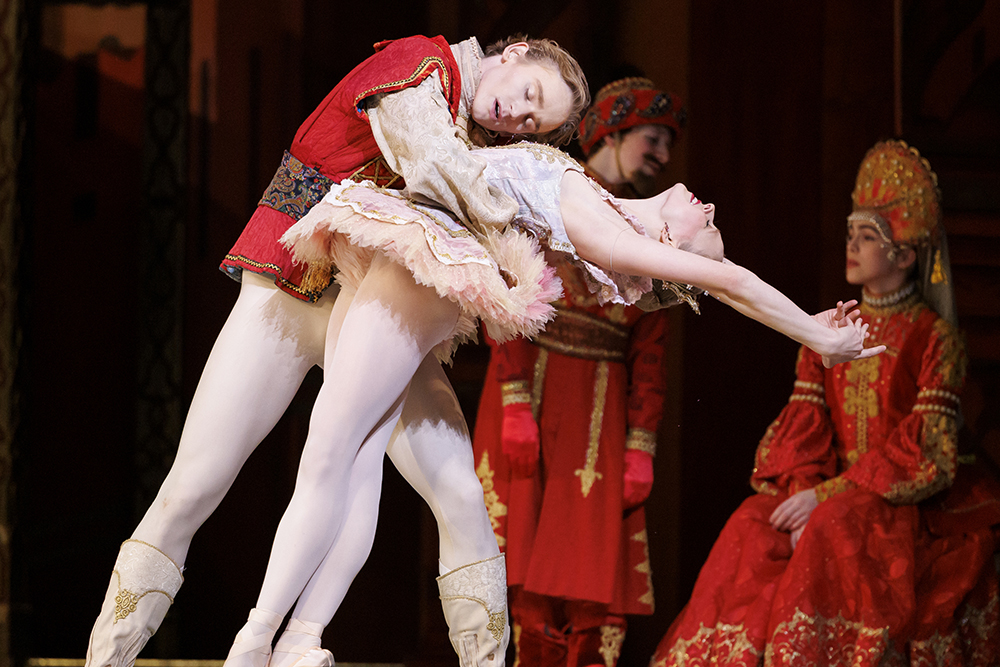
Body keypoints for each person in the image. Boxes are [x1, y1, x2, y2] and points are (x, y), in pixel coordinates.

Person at [224, 136, 882, 667]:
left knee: (337, 463)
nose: (710, 212)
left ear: (670, 248)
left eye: (706, 234)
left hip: (416, 282)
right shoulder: (604, 201)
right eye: (713, 224)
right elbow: (733, 281)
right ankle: (293, 639)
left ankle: (262, 641)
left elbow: (735, 283)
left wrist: (818, 333)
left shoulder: (613, 236)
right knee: (353, 470)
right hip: (407, 261)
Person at [86, 33, 590, 667]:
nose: (515, 116)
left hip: (377, 316)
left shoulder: (485, 142)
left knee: (461, 493)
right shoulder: (421, 64)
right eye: (528, 95)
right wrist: (540, 197)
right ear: (514, 53)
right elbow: (431, 161)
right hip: (294, 291)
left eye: (530, 123)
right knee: (192, 488)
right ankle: (108, 659)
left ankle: (442, 655)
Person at [649, 140, 1000, 667]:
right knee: (752, 522)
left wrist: (825, 498)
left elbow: (926, 454)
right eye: (850, 233)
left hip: (899, 501)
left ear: (904, 256)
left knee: (833, 525)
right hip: (832, 491)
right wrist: (802, 493)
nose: (851, 245)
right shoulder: (827, 328)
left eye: (868, 236)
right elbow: (805, 426)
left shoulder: (934, 338)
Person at [470, 78, 687, 667]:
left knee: (590, 583)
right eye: (653, 139)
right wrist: (515, 400)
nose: (663, 158)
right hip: (529, 387)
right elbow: (507, 289)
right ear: (614, 133)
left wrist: (641, 444)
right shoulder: (550, 190)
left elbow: (652, 344)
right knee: (523, 579)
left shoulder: (653, 221)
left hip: (600, 408)